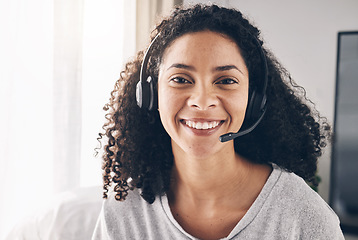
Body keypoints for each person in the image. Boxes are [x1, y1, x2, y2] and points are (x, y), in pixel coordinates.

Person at [92, 4, 344, 239]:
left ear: (255, 99)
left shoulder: (302, 216)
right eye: (180, 79)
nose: (202, 102)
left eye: (226, 81)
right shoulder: (124, 210)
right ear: (149, 94)